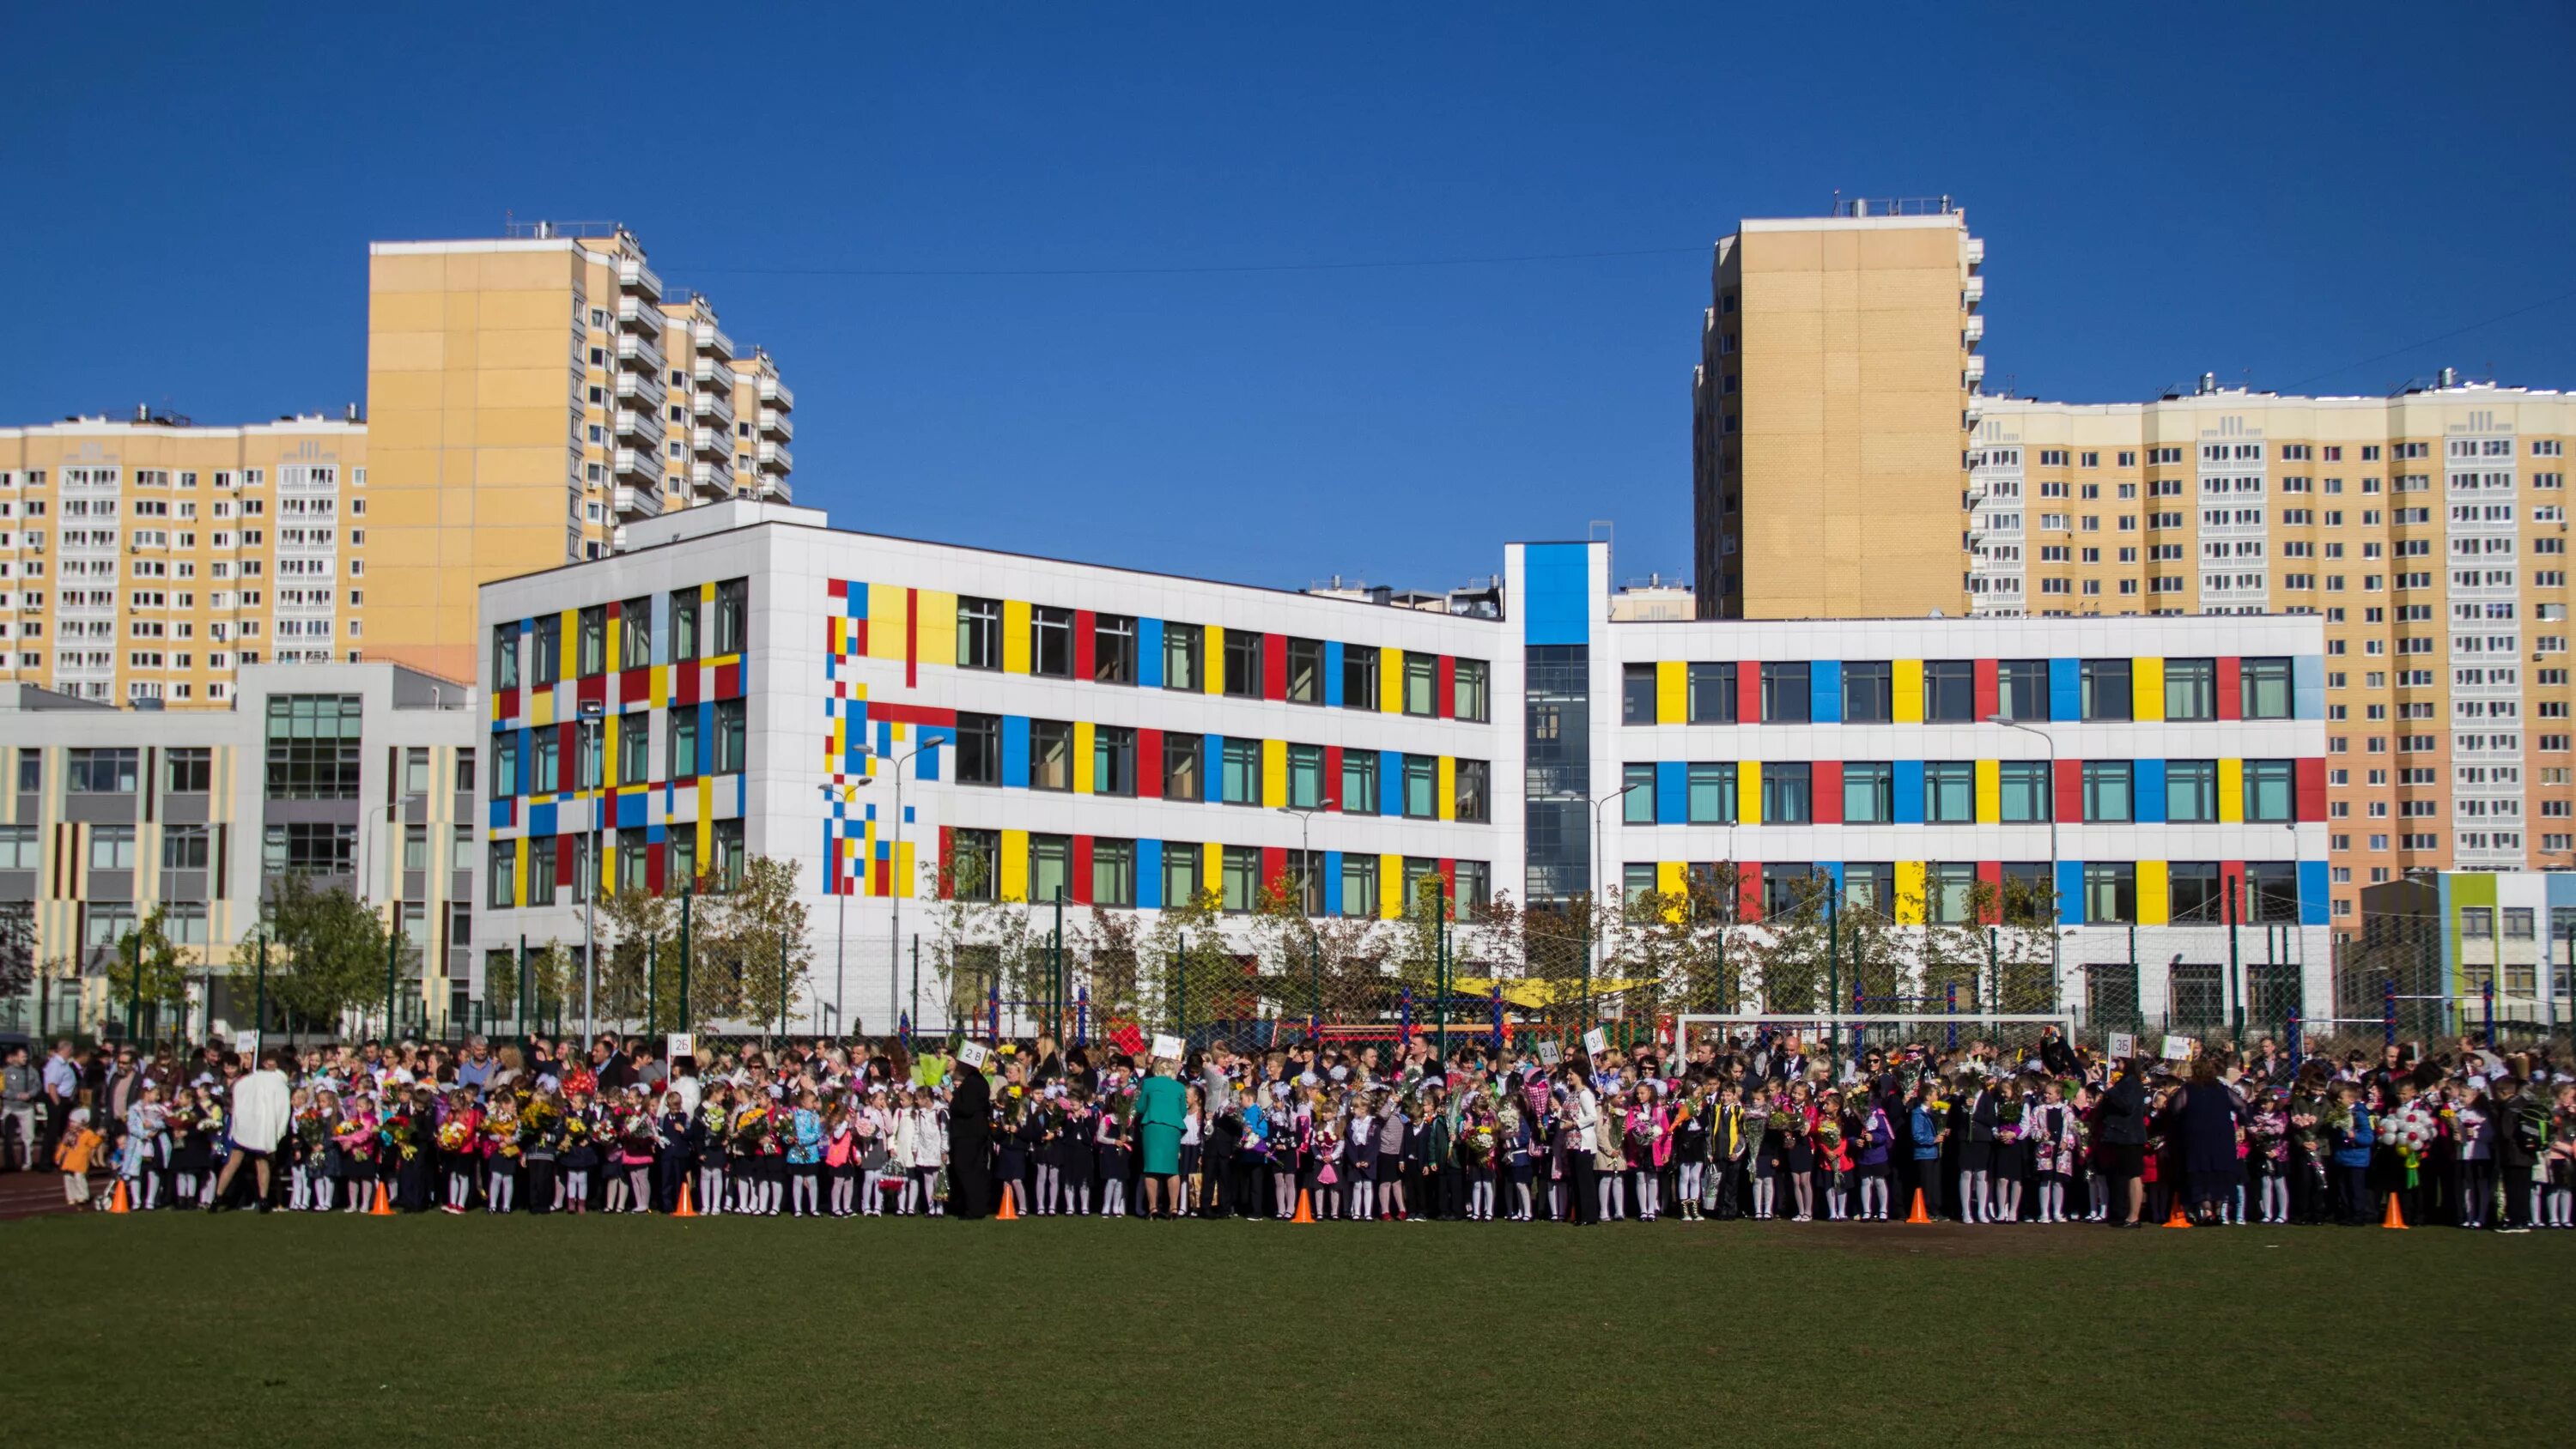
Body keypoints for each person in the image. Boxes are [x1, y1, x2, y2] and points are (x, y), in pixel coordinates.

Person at [213, 1049, 292, 1212]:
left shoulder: (248, 1080)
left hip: (245, 1125)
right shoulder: (279, 1083)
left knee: (234, 1162)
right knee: (261, 1163)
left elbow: (238, 1097)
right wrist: (278, 1132)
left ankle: (217, 1197)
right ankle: (263, 1200)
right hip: (263, 1127)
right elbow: (283, 1109)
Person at [2096, 1058, 2150, 1228]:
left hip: (2130, 1136)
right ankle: (2120, 1213)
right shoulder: (2124, 1082)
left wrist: (2111, 1092)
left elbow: (2127, 1106)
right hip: (2120, 1135)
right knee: (2121, 1175)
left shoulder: (2133, 1083)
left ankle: (2133, 1216)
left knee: (2133, 1175)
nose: (2116, 1065)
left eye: (2119, 1061)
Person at [1133, 1052, 1186, 1220]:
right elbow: (1183, 1112)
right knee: (1172, 1169)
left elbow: (1140, 1107)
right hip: (1172, 1128)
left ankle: (1153, 1207)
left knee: (1151, 1168)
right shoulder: (1179, 1087)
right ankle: (1174, 1208)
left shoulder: (1148, 1083)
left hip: (1153, 1126)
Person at [948, 1050, 993, 1219]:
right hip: (974, 1132)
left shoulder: (973, 1083)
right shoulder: (978, 1081)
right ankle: (974, 1206)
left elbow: (966, 1108)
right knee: (974, 1169)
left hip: (968, 1133)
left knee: (966, 1170)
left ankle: (973, 1207)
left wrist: (951, 1100)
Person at [56, 1106, 102, 1208]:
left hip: (80, 1161)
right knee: (68, 1178)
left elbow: (94, 1143)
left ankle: (82, 1196)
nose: (71, 1124)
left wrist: (98, 1136)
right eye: (71, 1122)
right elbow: (63, 1146)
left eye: (74, 1122)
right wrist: (58, 1156)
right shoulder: (69, 1134)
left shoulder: (88, 1134)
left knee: (79, 1178)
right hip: (69, 1161)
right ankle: (71, 1197)